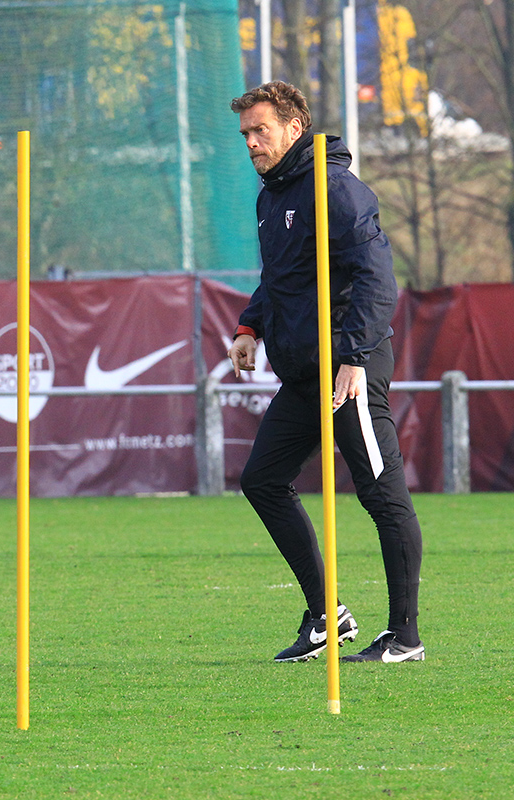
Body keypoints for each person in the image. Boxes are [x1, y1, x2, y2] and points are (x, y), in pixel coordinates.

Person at [227, 82, 425, 664]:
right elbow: (282, 279)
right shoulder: (271, 197)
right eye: (244, 134)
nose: (251, 143)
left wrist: (356, 358)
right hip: (305, 374)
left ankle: (405, 638)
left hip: (349, 369)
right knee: (261, 480)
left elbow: (375, 279)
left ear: (294, 128)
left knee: (382, 495)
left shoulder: (334, 188)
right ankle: (326, 617)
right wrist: (248, 327)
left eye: (260, 131)